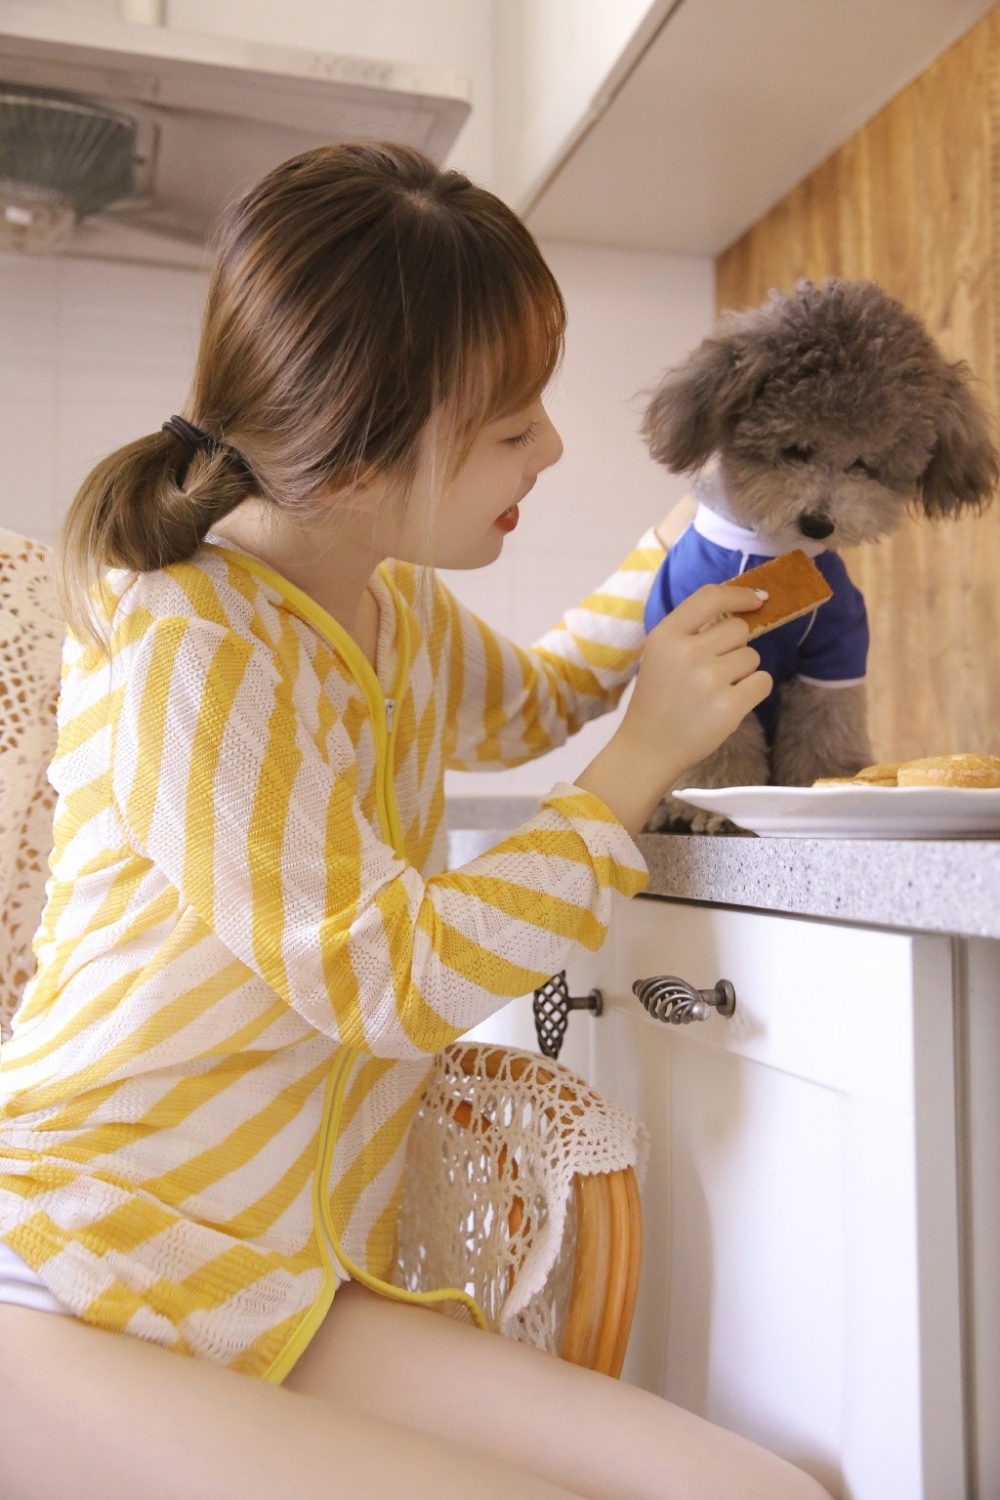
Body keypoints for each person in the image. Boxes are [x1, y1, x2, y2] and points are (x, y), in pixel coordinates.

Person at [0, 143, 826, 1500]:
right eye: (509, 426)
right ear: (357, 445)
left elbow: (546, 691)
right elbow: (384, 980)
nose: (550, 446)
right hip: (73, 1264)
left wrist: (711, 525)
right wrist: (636, 767)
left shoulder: (393, 608)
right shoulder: (189, 645)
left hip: (266, 1281)